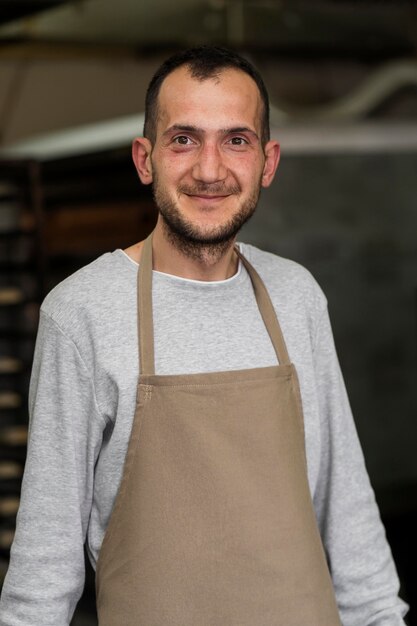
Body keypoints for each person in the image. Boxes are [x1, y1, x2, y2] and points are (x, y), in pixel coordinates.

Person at [0, 46, 408, 626]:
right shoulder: (81, 313)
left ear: (268, 162)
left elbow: (347, 509)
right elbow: (45, 565)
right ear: (146, 159)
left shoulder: (297, 296)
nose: (210, 169)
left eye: (236, 140)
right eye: (184, 139)